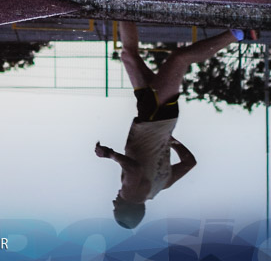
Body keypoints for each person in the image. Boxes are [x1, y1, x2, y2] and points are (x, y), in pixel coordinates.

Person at [95, 21, 250, 228]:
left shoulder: (161, 186)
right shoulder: (131, 195)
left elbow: (189, 162)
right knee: (179, 59)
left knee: (129, 56)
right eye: (116, 208)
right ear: (127, 208)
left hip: (159, 118)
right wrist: (108, 154)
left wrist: (172, 141)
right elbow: (133, 170)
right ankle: (238, 33)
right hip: (153, 116)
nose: (114, 202)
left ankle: (124, 10)